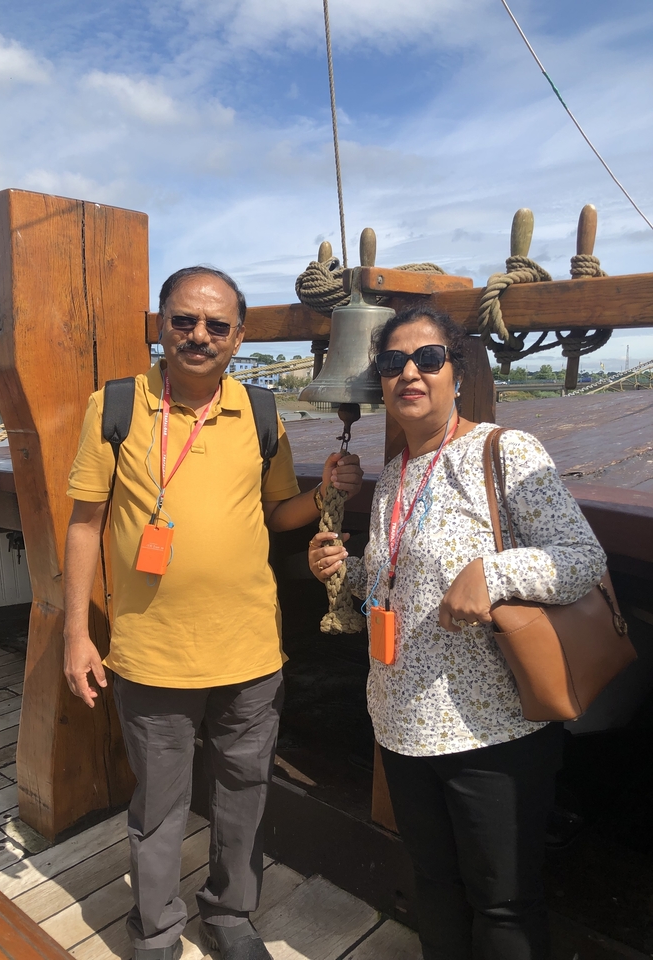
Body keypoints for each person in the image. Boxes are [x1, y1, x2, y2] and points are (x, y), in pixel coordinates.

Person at [63, 266, 363, 960]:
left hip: (251, 650)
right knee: (158, 808)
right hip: (152, 654)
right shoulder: (113, 406)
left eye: (217, 325)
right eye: (184, 321)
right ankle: (156, 930)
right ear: (161, 325)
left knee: (244, 795)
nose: (199, 335)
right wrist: (78, 633)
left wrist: (324, 492)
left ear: (239, 335)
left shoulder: (261, 412)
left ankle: (230, 916)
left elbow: (274, 512)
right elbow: (85, 524)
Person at [308, 304, 607, 960]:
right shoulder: (394, 476)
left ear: (457, 373)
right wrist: (350, 571)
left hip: (493, 731)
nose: (409, 373)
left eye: (427, 359)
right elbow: (397, 591)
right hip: (404, 729)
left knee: (503, 903)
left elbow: (583, 558)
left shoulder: (503, 451)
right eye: (392, 363)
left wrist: (493, 574)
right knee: (435, 887)